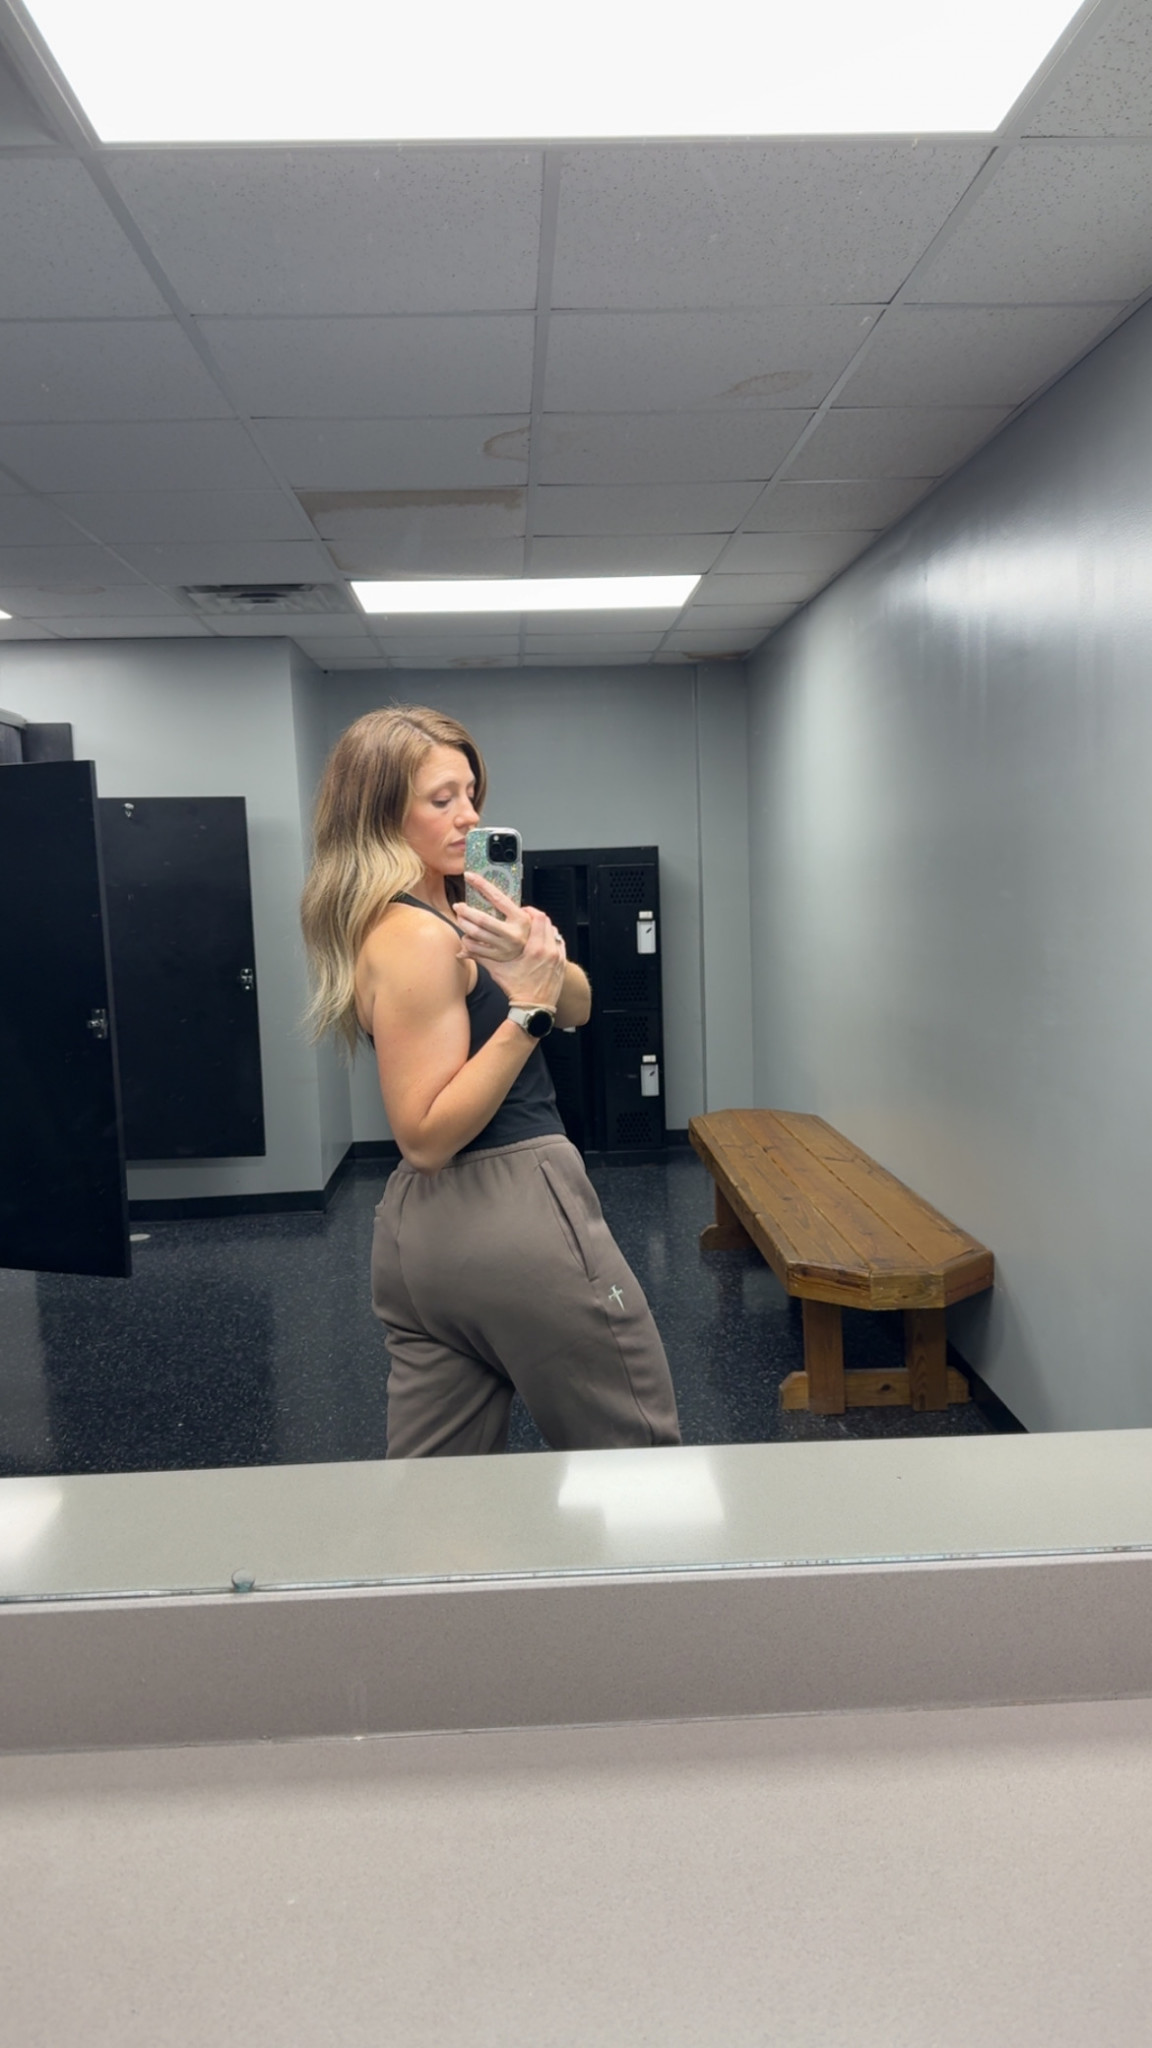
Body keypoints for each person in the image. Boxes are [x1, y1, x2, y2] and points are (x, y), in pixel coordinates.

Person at [300, 704, 681, 1458]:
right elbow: (425, 1135)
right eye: (441, 799)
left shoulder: (446, 916)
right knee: (635, 1457)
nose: (469, 816)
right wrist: (526, 1012)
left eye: (470, 794)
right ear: (380, 816)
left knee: (440, 1491)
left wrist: (536, 961)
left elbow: (581, 1007)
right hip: (512, 1207)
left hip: (424, 1245)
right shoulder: (416, 937)